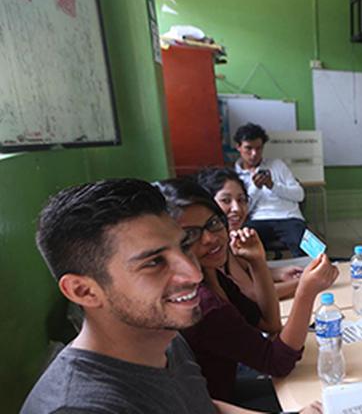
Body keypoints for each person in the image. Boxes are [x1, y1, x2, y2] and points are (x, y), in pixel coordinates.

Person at [22, 178, 320, 414]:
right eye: (154, 262)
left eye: (184, 246)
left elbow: (202, 406)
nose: (193, 273)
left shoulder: (163, 336)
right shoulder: (81, 407)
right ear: (84, 291)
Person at [155, 179, 338, 404]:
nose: (210, 238)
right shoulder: (204, 303)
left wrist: (257, 261)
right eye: (190, 234)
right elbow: (278, 363)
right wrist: (306, 292)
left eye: (213, 223)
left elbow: (268, 324)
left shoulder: (213, 275)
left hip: (226, 390)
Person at [198, 167, 304, 300]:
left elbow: (245, 272)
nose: (236, 208)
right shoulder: (213, 246)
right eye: (226, 200)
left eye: (242, 200)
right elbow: (253, 295)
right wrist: (305, 282)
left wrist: (279, 273)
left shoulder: (229, 238)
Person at [234, 122, 308, 257]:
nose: (254, 154)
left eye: (259, 148)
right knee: (241, 245)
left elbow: (300, 195)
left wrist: (272, 185)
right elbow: (243, 209)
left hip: (289, 217)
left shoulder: (277, 165)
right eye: (248, 148)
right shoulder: (235, 176)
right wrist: (255, 188)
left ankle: (310, 275)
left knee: (307, 248)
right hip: (257, 219)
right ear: (238, 147)